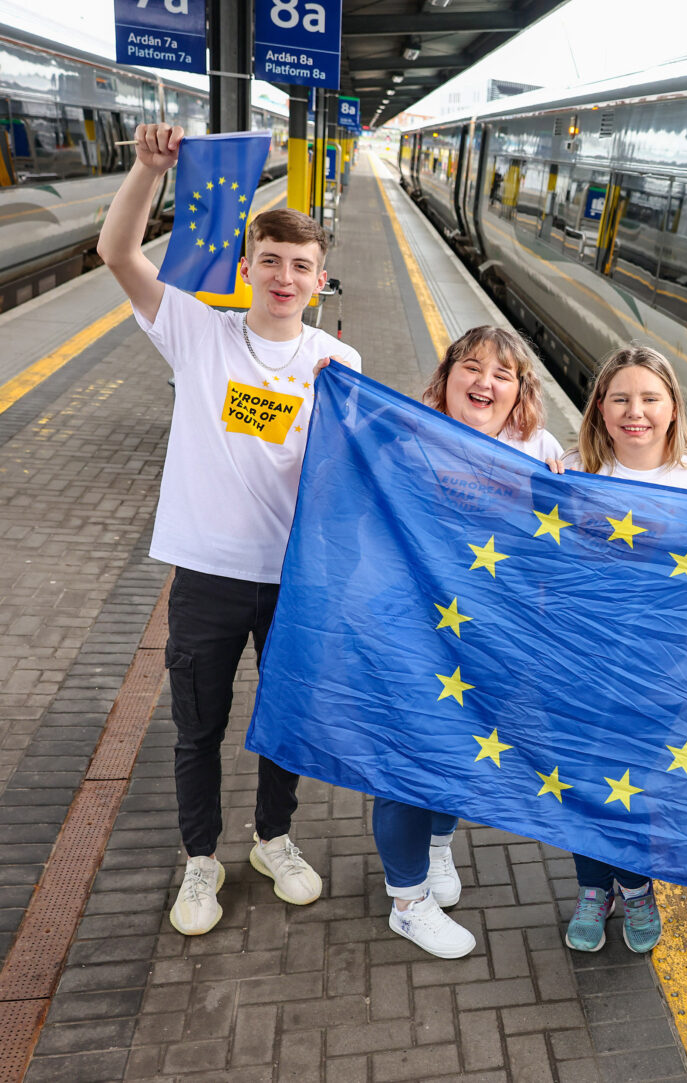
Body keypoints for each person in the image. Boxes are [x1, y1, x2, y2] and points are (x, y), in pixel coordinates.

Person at [96, 123, 363, 936]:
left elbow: (362, 474)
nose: (285, 277)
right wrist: (147, 172)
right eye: (270, 261)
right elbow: (117, 253)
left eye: (301, 266)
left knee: (284, 718)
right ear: (246, 270)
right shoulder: (198, 334)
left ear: (319, 283)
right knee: (198, 725)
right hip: (208, 574)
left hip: (296, 576)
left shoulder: (339, 365)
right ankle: (200, 857)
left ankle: (273, 838)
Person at [547, 345, 687, 954]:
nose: (636, 412)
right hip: (582, 660)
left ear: (672, 407)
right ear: (600, 409)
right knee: (582, 775)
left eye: (650, 398)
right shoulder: (574, 470)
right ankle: (591, 888)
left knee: (634, 778)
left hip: (663, 666)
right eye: (621, 399)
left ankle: (634, 888)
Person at [375, 325, 563, 958]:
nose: (485, 383)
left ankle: (434, 847)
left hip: (493, 636)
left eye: (502, 375)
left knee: (461, 746)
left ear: (519, 390)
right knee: (405, 756)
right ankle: (407, 900)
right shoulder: (407, 436)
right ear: (448, 374)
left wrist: (565, 487)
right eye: (473, 368)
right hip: (412, 627)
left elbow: (558, 542)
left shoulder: (538, 447)